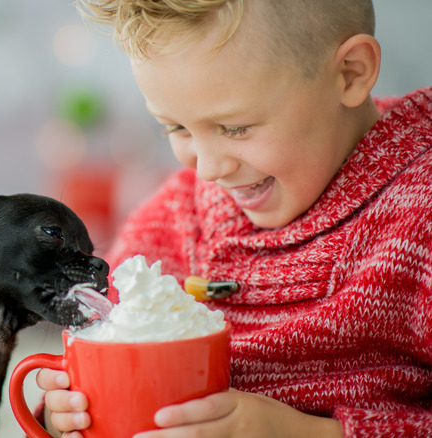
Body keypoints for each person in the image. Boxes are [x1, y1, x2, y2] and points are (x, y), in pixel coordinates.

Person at [35, 0, 432, 436]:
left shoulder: (418, 216)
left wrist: (312, 434)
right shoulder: (177, 216)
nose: (206, 169)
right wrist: (70, 411)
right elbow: (100, 336)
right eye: (177, 129)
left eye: (235, 128)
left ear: (350, 73)